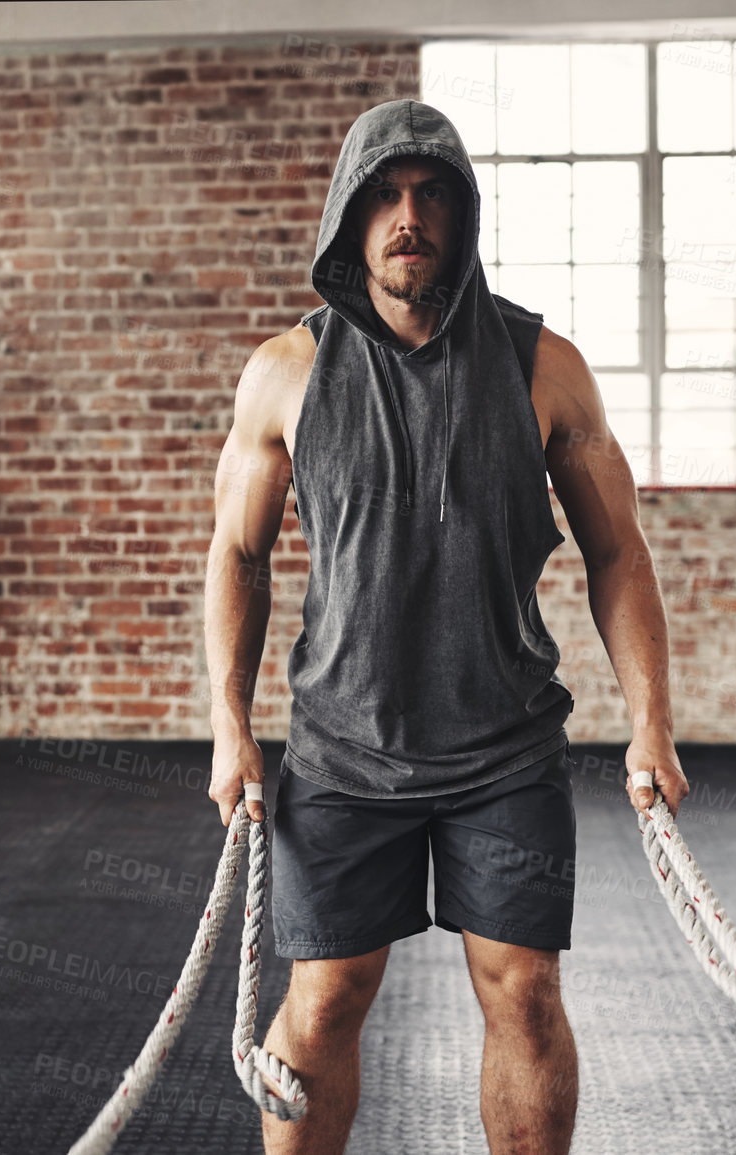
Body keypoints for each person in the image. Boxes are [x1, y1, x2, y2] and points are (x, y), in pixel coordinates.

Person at [202, 98, 692, 1155]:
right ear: (350, 215)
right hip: (343, 751)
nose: (407, 216)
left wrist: (651, 719)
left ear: (463, 216)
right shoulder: (289, 370)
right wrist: (229, 723)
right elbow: (239, 554)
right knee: (326, 1001)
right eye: (384, 195)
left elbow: (620, 553)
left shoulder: (542, 366)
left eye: (430, 195)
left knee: (523, 996)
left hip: (504, 749)